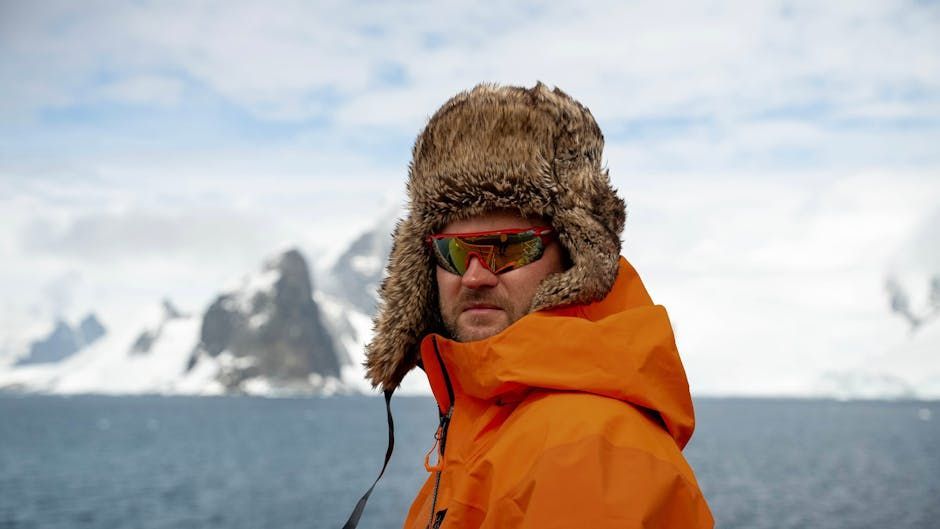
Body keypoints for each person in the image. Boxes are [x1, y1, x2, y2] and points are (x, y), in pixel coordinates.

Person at [351, 82, 714, 528]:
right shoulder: (487, 430)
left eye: (509, 248)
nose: (476, 276)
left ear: (572, 257)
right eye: (454, 252)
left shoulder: (583, 449)